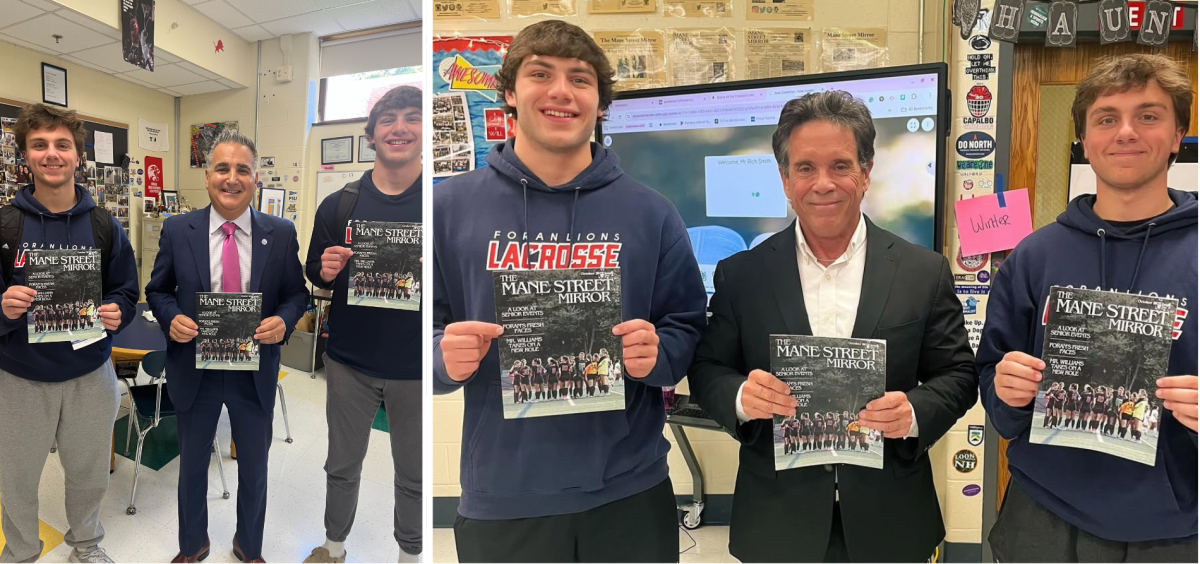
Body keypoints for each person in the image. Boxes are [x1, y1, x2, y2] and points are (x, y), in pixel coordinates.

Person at [432, 19, 707, 563]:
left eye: (580, 79)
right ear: (510, 93)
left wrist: (660, 356)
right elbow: (421, 331)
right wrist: (441, 357)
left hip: (629, 490)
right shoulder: (449, 208)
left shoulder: (651, 213)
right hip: (504, 495)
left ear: (601, 103)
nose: (561, 91)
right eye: (541, 74)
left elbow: (686, 323)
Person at [687, 90, 979, 562]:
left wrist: (914, 411)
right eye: (805, 168)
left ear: (865, 173)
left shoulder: (923, 272)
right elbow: (707, 368)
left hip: (892, 517)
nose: (823, 183)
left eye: (840, 166)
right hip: (777, 520)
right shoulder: (741, 275)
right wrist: (742, 397)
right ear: (785, 179)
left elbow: (960, 376)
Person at [978, 54, 1197, 562]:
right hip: (1045, 517)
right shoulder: (1034, 256)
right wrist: (1005, 390)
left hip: (1177, 527)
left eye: (1148, 115)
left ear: (1178, 132)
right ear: (1082, 138)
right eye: (1106, 117)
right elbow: (991, 383)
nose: (1125, 132)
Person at [146, 129, 307, 564]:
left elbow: (298, 294)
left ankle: (248, 546)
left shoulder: (281, 231)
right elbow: (157, 289)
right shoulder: (179, 229)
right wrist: (170, 317)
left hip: (254, 371)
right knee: (192, 466)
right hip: (194, 369)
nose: (231, 178)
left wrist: (285, 320)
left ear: (255, 177)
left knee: (255, 467)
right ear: (207, 175)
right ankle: (192, 543)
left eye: (242, 169)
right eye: (222, 168)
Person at [0, 103, 139, 564]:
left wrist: (118, 310)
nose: (52, 154)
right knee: (16, 477)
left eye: (63, 145)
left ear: (79, 155)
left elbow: (126, 289)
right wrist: (2, 307)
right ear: (25, 155)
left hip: (89, 373)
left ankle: (86, 545)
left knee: (88, 472)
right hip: (20, 378)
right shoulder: (5, 226)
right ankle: (21, 552)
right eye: (40, 145)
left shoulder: (104, 225)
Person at [303, 85, 423, 564]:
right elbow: (314, 271)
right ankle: (333, 549)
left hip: (416, 365)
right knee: (342, 465)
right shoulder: (340, 205)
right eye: (389, 119)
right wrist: (326, 270)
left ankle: (410, 556)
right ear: (372, 134)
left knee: (412, 473)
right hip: (350, 362)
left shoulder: (440, 204)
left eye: (412, 117)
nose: (400, 127)